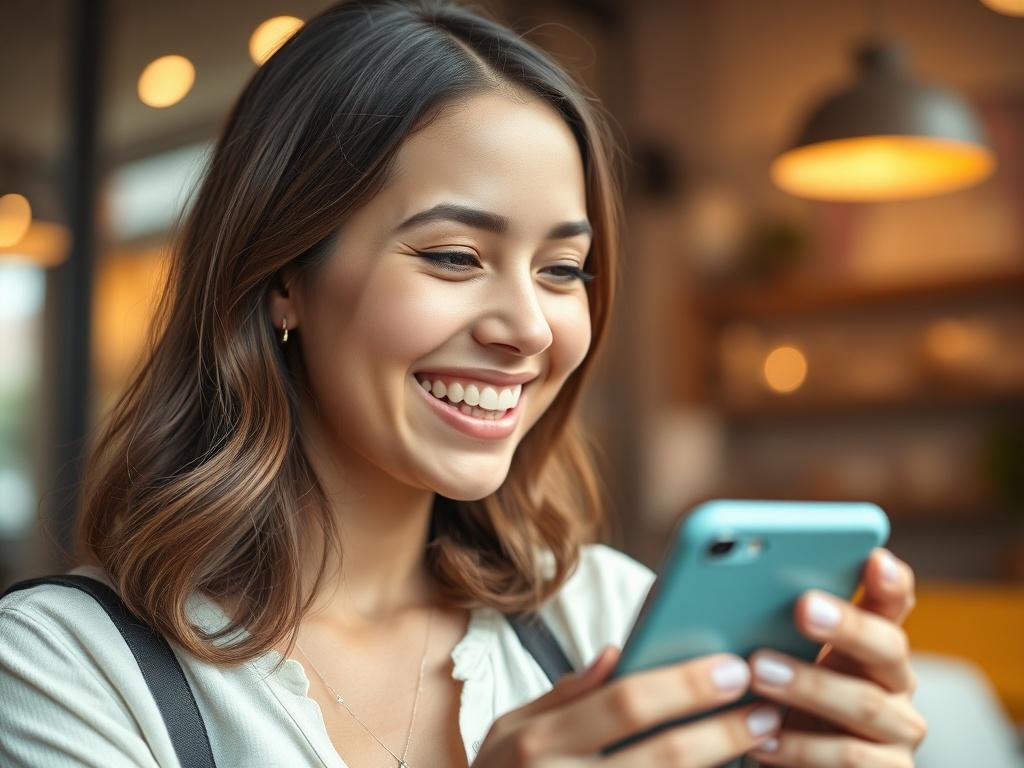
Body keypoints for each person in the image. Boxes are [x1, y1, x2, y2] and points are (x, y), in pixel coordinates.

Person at [0, 1, 927, 766]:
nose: (528, 327)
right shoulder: (67, 670)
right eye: (452, 255)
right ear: (283, 275)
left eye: (563, 271)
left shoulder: (604, 614)